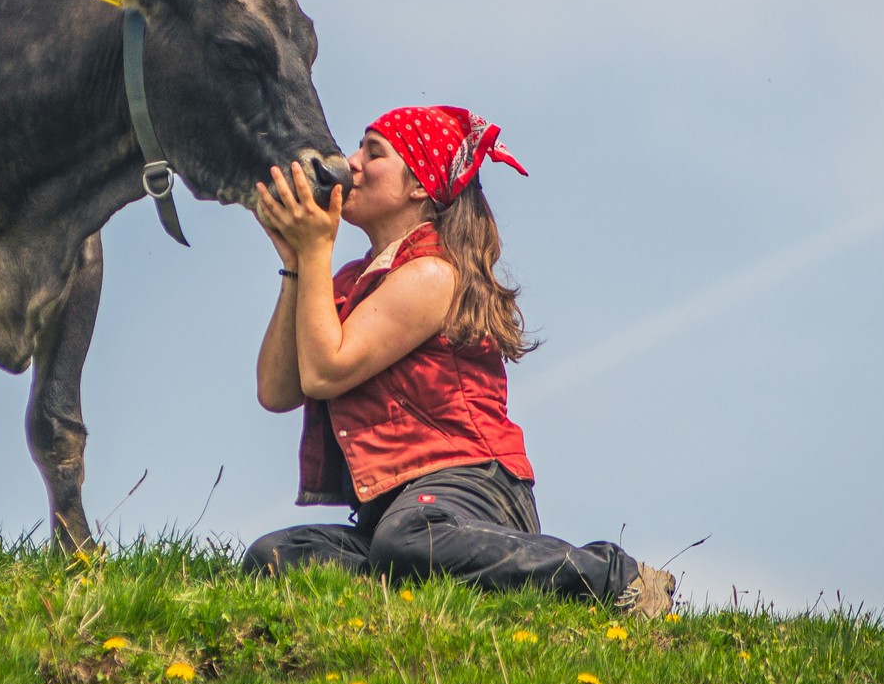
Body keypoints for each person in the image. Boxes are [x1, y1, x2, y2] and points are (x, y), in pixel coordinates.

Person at [241, 105, 675, 617]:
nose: (350, 163)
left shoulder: (432, 273)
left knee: (407, 540)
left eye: (372, 152)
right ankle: (417, 589)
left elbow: (324, 371)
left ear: (419, 187)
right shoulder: (350, 285)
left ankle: (613, 577)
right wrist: (296, 263)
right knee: (273, 558)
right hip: (392, 513)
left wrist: (316, 252)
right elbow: (278, 391)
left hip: (471, 488)